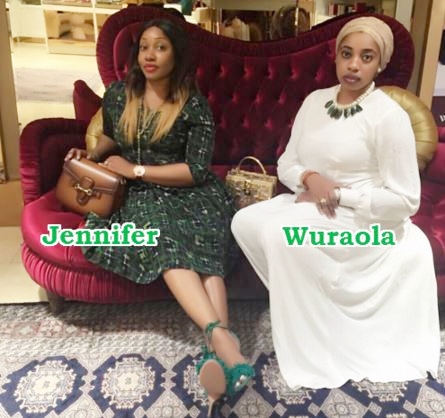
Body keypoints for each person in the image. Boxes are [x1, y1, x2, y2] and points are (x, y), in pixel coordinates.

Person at [231, 16, 441, 390]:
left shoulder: (388, 116)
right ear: (336, 56)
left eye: (366, 57)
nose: (354, 65)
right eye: (347, 54)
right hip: (311, 202)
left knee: (281, 234)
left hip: (363, 219)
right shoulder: (315, 102)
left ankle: (318, 322)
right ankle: (308, 299)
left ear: (380, 64)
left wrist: (340, 195)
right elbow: (287, 162)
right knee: (243, 221)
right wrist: (312, 180)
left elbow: (406, 200)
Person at [64, 18, 254, 414]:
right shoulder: (119, 95)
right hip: (141, 195)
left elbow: (196, 170)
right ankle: (224, 343)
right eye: (144, 47)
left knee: (205, 241)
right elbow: (112, 134)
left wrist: (134, 169)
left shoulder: (192, 104)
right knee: (165, 238)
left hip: (188, 189)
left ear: (176, 55)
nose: (150, 55)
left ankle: (217, 346)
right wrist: (93, 155)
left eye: (161, 47)